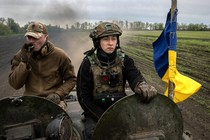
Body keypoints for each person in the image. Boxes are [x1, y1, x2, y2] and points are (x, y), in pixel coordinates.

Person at [76, 22, 157, 139]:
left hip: (121, 109)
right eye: (106, 39)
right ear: (98, 41)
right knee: (94, 134)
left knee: (138, 131)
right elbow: (83, 97)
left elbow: (134, 76)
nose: (110, 43)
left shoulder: (125, 60)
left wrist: (141, 85)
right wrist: (102, 117)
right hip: (95, 112)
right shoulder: (87, 63)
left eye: (113, 38)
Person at [8, 21, 76, 109]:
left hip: (54, 101)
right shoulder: (21, 56)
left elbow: (71, 79)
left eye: (36, 38)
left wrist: (58, 94)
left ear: (46, 37)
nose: (32, 41)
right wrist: (24, 62)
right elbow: (15, 84)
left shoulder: (59, 55)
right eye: (29, 37)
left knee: (55, 117)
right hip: (30, 100)